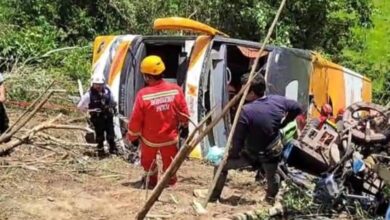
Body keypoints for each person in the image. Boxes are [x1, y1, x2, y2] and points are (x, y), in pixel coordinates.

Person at [209, 73, 302, 204]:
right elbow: (297, 107)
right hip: (272, 151)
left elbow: (237, 140)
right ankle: (270, 199)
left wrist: (232, 154)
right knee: (272, 175)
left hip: (252, 154)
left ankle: (214, 197)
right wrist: (286, 121)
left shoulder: (246, 111)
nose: (242, 93)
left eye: (244, 90)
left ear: (252, 93)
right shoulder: (278, 100)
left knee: (221, 166)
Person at [127, 55, 189, 188]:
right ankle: (169, 183)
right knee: (171, 163)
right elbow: (184, 114)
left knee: (148, 162)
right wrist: (184, 125)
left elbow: (136, 119)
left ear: (147, 76)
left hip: (150, 140)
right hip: (170, 138)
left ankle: (152, 183)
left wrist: (132, 136)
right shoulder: (176, 90)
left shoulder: (143, 95)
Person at [77, 74, 118, 158]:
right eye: (96, 84)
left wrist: (113, 107)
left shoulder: (107, 91)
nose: (98, 86)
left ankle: (113, 150)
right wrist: (90, 110)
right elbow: (80, 107)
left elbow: (113, 101)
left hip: (108, 116)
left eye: (100, 84)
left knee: (111, 135)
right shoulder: (89, 95)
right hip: (97, 118)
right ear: (93, 84)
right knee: (100, 136)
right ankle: (100, 151)